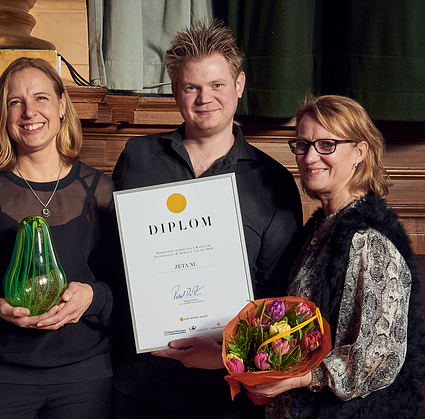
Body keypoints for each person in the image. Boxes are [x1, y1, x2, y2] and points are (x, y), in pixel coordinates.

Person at [110, 19, 303, 418]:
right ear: (175, 92)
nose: (204, 98)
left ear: (239, 85)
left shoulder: (273, 182)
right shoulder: (137, 158)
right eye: (191, 87)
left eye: (216, 85)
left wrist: (226, 355)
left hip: (226, 395)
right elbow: (116, 262)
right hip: (139, 384)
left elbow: (276, 299)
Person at [0, 57, 117, 419]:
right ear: (2, 116)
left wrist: (91, 295)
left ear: (62, 106)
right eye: (14, 102)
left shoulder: (99, 189)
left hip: (83, 376)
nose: (28, 112)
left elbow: (122, 287)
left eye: (41, 98)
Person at [245, 94, 425, 418]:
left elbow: (379, 355)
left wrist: (297, 378)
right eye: (302, 145)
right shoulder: (318, 229)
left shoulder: (371, 241)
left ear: (360, 151)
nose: (310, 156)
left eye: (326, 144)